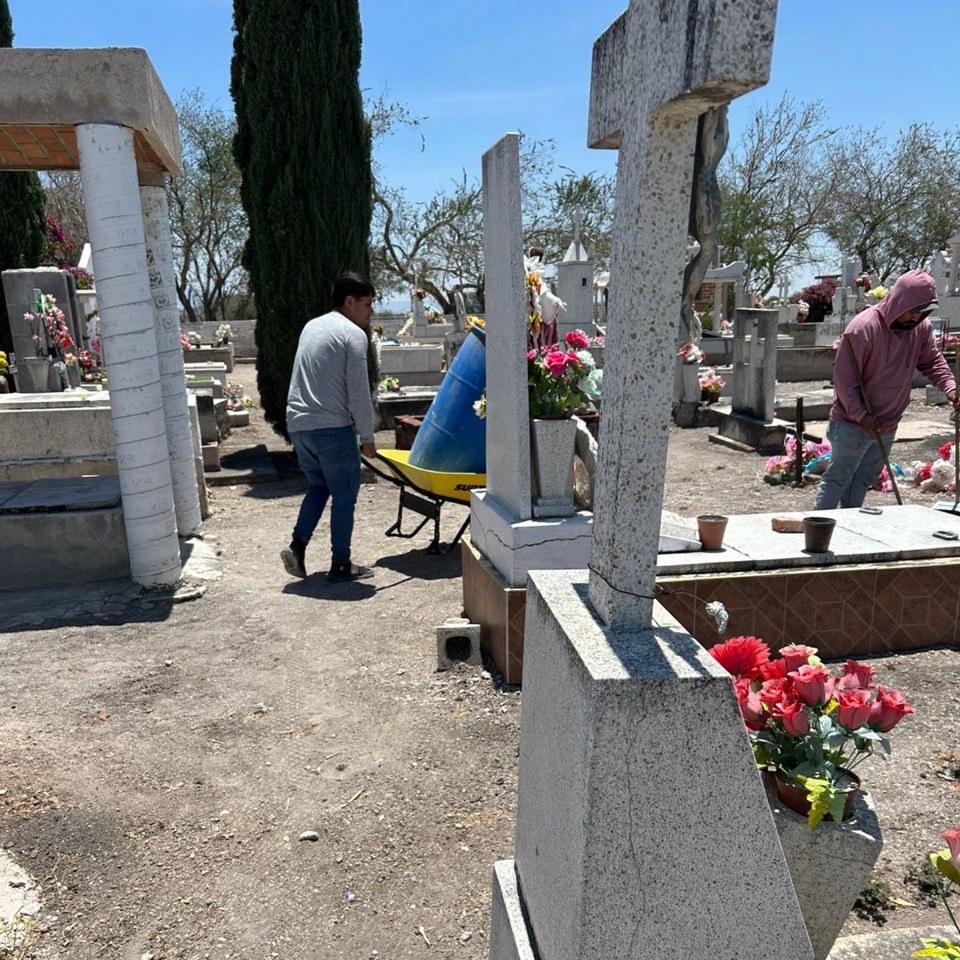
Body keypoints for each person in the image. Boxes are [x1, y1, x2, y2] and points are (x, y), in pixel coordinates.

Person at [814, 269, 959, 510]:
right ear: (900, 301)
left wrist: (951, 389)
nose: (915, 317)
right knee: (838, 478)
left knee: (863, 480)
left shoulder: (920, 329)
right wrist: (861, 415)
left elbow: (932, 362)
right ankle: (819, 527)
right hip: (852, 422)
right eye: (912, 310)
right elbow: (844, 382)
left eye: (923, 312)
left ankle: (849, 525)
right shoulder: (863, 328)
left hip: (887, 422)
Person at [281, 272, 377, 582]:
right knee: (344, 496)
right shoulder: (353, 334)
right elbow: (358, 391)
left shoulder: (312, 326)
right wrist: (367, 436)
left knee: (319, 486)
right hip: (332, 428)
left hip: (299, 426)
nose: (371, 312)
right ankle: (341, 564)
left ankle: (297, 546)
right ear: (349, 302)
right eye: (367, 304)